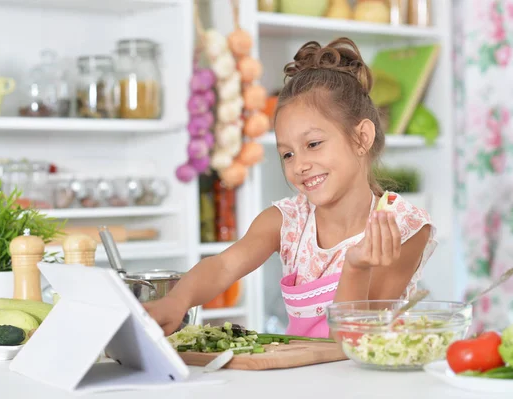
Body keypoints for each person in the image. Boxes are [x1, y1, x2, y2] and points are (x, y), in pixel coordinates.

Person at [144, 37, 437, 338]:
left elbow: (350, 342)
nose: (299, 165)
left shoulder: (404, 227)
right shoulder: (287, 221)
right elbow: (223, 267)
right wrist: (177, 300)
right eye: (287, 153)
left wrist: (356, 268)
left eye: (313, 144)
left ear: (362, 137)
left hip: (370, 381)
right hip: (301, 379)